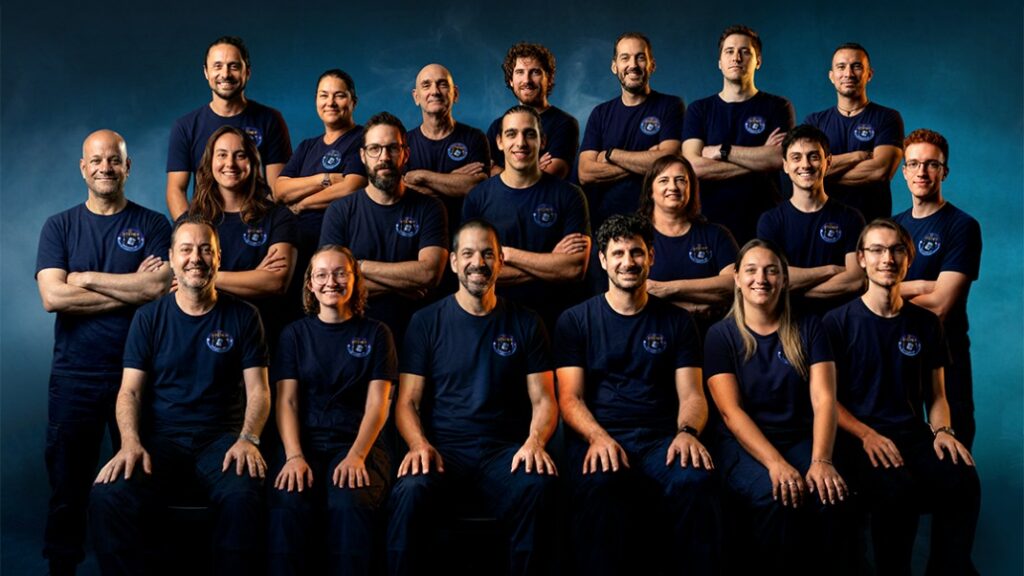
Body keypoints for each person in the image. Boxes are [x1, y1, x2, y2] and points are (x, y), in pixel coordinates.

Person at [89, 217, 270, 575]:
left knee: (245, 495)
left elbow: (259, 390)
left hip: (221, 441)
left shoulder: (245, 316)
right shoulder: (148, 318)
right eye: (186, 249)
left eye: (205, 249)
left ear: (219, 257)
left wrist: (248, 439)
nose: (195, 258)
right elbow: (130, 391)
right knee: (107, 497)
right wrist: (129, 443)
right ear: (172, 258)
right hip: (162, 442)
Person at [387, 219, 559, 576]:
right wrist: (418, 445)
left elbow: (544, 400)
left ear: (500, 261)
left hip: (504, 453)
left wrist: (534, 442)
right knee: (410, 492)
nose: (477, 263)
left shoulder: (527, 322)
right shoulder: (425, 322)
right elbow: (407, 402)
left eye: (487, 254)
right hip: (444, 452)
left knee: (538, 486)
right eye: (467, 254)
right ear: (453, 262)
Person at [35, 130, 172, 576]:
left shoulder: (154, 225)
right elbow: (53, 298)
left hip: (139, 377)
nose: (105, 168)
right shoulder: (59, 226)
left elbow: (158, 289)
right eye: (96, 160)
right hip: (74, 377)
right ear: (83, 168)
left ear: (127, 167)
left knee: (140, 480)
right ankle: (63, 566)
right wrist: (131, 288)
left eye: (114, 160)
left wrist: (86, 278)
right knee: (67, 486)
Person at [556, 214, 721, 576]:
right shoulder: (576, 320)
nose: (627, 262)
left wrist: (687, 432)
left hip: (661, 439)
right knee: (601, 488)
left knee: (695, 481)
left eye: (636, 252)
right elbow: (569, 399)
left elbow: (692, 395)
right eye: (618, 254)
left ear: (651, 257)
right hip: (602, 436)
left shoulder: (678, 321)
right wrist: (597, 437)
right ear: (603, 260)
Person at [824, 219, 980, 575]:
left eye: (896, 250)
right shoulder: (837, 322)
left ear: (909, 259)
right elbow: (825, 400)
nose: (887, 259)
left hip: (912, 437)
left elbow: (937, 396)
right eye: (877, 250)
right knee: (898, 491)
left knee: (963, 478)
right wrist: (866, 435)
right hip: (859, 440)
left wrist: (943, 431)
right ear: (862, 259)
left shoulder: (926, 323)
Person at [704, 239, 848, 574]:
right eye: (751, 270)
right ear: (736, 278)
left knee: (829, 495)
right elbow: (731, 412)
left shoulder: (809, 327)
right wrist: (776, 464)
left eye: (771, 271)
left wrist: (821, 461)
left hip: (798, 437)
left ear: (784, 279)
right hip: (742, 444)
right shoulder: (720, 335)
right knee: (776, 495)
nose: (761, 279)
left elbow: (824, 399)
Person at [268, 245, 396, 576]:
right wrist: (294, 456)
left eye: (340, 273)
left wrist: (356, 455)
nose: (331, 282)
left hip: (359, 444)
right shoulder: (294, 335)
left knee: (348, 502)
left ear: (355, 280)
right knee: (288, 501)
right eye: (322, 275)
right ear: (310, 284)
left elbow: (378, 404)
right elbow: (287, 402)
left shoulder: (377, 333)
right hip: (304, 443)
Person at [319, 111, 448, 344]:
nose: (384, 157)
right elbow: (333, 283)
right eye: (374, 149)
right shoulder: (339, 211)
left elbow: (429, 273)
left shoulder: (430, 207)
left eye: (392, 148)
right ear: (363, 155)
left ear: (406, 154)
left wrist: (359, 266)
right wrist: (402, 284)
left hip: (419, 336)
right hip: (355, 335)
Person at [463, 105, 590, 330]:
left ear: (543, 141)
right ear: (499, 142)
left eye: (530, 134)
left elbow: (574, 269)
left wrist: (508, 255)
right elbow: (474, 274)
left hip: (556, 321)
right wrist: (551, 263)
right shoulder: (477, 198)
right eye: (511, 134)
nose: (520, 143)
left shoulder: (570, 195)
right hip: (496, 321)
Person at [893, 129, 982, 448]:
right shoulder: (892, 227)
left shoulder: (962, 226)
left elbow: (941, 305)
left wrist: (893, 293)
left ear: (944, 171)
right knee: (901, 457)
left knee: (953, 455)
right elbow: (867, 294)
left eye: (931, 164)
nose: (922, 172)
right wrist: (921, 285)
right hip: (899, 355)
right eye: (914, 164)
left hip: (946, 355)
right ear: (904, 172)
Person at [683, 25, 795, 245]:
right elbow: (693, 166)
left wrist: (722, 150)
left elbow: (778, 159)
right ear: (720, 62)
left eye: (745, 52)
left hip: (765, 219)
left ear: (758, 61)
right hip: (710, 221)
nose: (736, 58)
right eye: (729, 51)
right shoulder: (699, 110)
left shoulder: (778, 107)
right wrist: (759, 159)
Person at [187, 125, 298, 342]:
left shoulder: (278, 217)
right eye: (222, 155)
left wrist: (205, 277)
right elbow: (178, 285)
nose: (230, 164)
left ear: (253, 163)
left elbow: (275, 282)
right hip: (205, 336)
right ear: (210, 162)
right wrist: (253, 277)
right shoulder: (191, 220)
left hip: (264, 335)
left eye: (240, 155)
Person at [273, 69, 368, 320]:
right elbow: (280, 190)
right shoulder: (307, 146)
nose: (330, 102)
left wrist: (302, 204)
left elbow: (351, 186)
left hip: (337, 248)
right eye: (324, 95)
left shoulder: (362, 139)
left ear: (353, 101)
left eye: (339, 95)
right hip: (299, 247)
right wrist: (323, 179)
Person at [166, 36, 291, 219]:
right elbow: (175, 190)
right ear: (206, 72)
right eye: (217, 66)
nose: (225, 74)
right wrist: (190, 230)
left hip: (256, 225)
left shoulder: (270, 120)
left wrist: (267, 228)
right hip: (205, 225)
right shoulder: (185, 126)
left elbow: (277, 189)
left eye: (234, 66)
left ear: (247, 72)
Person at [578, 32, 685, 230]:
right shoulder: (600, 113)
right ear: (614, 66)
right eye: (625, 58)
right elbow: (585, 172)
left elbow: (668, 161)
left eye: (640, 57)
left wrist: (611, 155)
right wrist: (645, 161)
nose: (633, 65)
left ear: (652, 65)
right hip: (606, 224)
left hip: (656, 223)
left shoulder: (670, 106)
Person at [756, 125, 865, 317]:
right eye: (796, 158)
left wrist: (791, 287)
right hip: (789, 323)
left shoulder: (851, 218)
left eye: (813, 156)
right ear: (785, 165)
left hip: (838, 323)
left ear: (827, 162)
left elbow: (855, 281)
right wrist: (831, 270)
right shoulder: (770, 221)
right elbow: (772, 277)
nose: (805, 165)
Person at [805, 43, 904, 223]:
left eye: (856, 66)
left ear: (869, 74)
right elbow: (804, 168)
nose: (848, 74)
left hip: (871, 225)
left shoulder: (887, 117)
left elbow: (880, 170)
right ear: (831, 76)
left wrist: (820, 174)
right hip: (823, 222)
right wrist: (856, 156)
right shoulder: (815, 122)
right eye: (841, 67)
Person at [640, 154, 738, 335]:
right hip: (651, 334)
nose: (673, 187)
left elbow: (734, 283)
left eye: (681, 180)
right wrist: (692, 307)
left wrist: (667, 289)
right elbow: (634, 293)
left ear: (691, 188)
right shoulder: (637, 237)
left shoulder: (716, 234)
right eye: (663, 180)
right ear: (650, 191)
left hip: (709, 337)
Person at [403, 63, 490, 225]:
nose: (435, 91)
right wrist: (453, 180)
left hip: (464, 233)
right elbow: (400, 192)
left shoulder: (475, 138)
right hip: (418, 232)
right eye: (426, 85)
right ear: (416, 97)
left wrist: (422, 176)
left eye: (442, 84)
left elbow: (476, 187)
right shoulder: (403, 142)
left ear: (455, 94)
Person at [485, 42, 579, 180]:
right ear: (511, 80)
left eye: (535, 72)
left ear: (549, 79)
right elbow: (483, 173)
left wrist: (501, 171)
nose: (527, 80)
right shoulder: (498, 126)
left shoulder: (564, 124)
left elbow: (551, 177)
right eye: (520, 72)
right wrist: (534, 170)